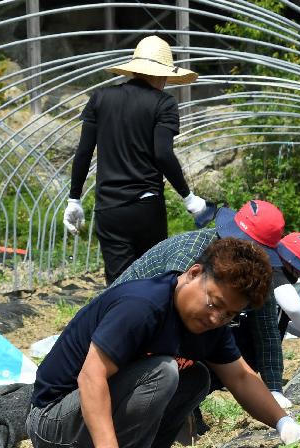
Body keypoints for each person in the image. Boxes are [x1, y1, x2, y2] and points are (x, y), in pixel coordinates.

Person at [26, 238, 300, 448]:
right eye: (214, 303)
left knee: (197, 377)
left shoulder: (210, 327)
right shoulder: (143, 306)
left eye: (229, 313)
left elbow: (240, 377)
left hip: (84, 424)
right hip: (53, 427)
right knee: (163, 371)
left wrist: (285, 424)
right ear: (193, 274)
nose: (217, 318)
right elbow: (91, 375)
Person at [114, 200, 300, 410]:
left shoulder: (254, 271)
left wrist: (274, 390)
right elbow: (163, 309)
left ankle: (181, 407)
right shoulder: (191, 252)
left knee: (224, 352)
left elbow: (267, 332)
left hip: (172, 336)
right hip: (126, 325)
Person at [63, 35, 207, 284]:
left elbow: (84, 152)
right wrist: (188, 196)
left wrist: (74, 198)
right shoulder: (164, 103)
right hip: (145, 207)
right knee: (151, 280)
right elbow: (162, 153)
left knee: (118, 284)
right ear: (162, 74)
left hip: (109, 208)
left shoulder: (101, 98)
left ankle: (118, 319)